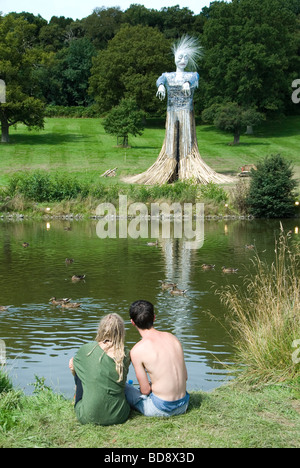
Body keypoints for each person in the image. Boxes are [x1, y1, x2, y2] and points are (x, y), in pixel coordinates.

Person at [125, 300, 189, 417]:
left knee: (124, 387)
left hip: (161, 409)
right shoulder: (173, 338)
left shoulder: (137, 350)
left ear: (132, 322)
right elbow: (185, 376)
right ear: (154, 318)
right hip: (184, 404)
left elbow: (145, 391)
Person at [69, 313, 130, 425]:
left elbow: (72, 365)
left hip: (87, 417)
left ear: (100, 329)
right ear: (121, 332)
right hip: (120, 415)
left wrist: (74, 370)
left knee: (78, 366)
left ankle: (79, 400)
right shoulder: (124, 353)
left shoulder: (87, 349)